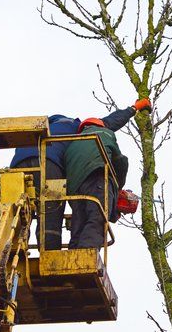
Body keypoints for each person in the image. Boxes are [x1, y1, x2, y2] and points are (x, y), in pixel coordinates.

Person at [9, 97, 150, 249]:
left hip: (16, 166)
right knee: (51, 215)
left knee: (15, 214)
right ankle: (51, 259)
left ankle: (11, 250)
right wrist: (134, 108)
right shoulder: (80, 131)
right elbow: (109, 123)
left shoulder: (46, 129)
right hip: (49, 164)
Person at [64, 109, 142, 248]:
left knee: (79, 221)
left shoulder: (72, 142)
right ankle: (87, 256)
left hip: (74, 189)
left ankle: (74, 256)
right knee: (98, 217)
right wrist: (118, 188)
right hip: (97, 178)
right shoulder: (105, 133)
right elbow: (121, 161)